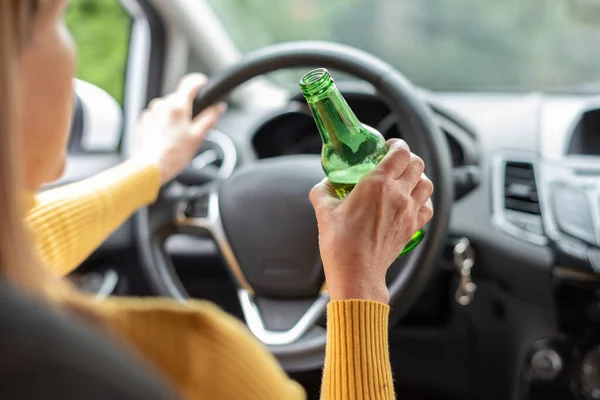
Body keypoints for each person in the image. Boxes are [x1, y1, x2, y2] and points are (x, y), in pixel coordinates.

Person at [1, 0, 434, 399]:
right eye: (57, 20)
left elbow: (28, 237)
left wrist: (152, 166)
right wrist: (360, 279)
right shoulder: (193, 362)